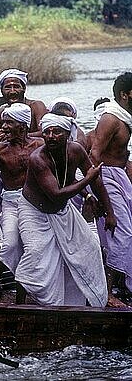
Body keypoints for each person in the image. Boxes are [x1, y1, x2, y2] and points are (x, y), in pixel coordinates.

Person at [16, 113, 115, 307]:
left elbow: (97, 181)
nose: (51, 136)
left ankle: (92, 301)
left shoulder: (76, 150)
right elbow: (56, 194)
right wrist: (88, 179)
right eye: (47, 132)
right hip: (34, 212)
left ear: (67, 134)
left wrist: (110, 213)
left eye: (57, 132)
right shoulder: (37, 158)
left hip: (62, 211)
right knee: (34, 256)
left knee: (91, 248)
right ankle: (18, 304)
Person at [90, 72, 132, 306]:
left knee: (125, 233)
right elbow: (94, 154)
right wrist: (95, 193)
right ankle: (106, 294)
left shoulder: (125, 118)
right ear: (125, 95)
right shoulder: (110, 119)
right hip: (107, 178)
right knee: (121, 233)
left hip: (120, 177)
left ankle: (123, 286)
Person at [0, 104, 44, 287]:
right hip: (11, 204)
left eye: (9, 123)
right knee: (10, 245)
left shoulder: (40, 146)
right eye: (3, 122)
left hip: (34, 205)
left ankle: (27, 287)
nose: (4, 127)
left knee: (35, 248)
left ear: (22, 126)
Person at [0, 69, 47, 135]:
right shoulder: (0, 111)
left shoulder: (36, 106)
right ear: (1, 90)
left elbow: (44, 132)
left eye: (16, 87)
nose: (12, 91)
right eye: (8, 87)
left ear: (24, 88)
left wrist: (17, 136)